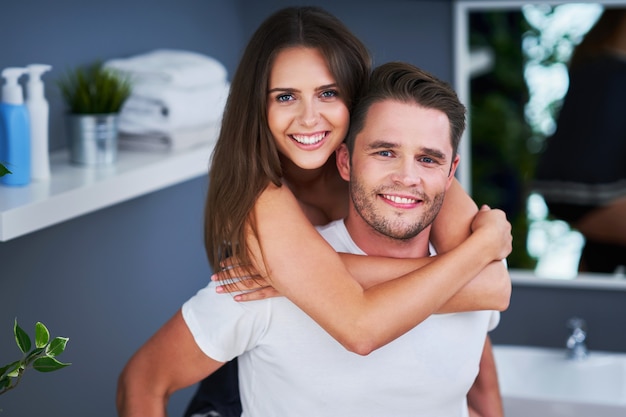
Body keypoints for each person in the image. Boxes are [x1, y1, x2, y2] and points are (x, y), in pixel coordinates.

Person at [117, 6, 511, 417]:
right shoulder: (263, 198)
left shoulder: (415, 175)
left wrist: (310, 272)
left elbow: (489, 291)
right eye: (285, 96)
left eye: (328, 93)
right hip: (246, 374)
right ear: (259, 107)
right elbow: (362, 326)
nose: (309, 118)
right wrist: (485, 243)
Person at [533, 8, 626, 274]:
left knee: (601, 256)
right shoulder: (608, 74)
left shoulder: (593, 67)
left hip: (574, 189)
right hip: (592, 188)